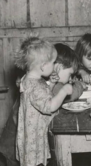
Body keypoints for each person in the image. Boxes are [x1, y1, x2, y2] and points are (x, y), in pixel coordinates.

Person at [14, 37, 73, 166]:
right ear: (42, 66)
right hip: (34, 141)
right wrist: (63, 91)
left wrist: (51, 84)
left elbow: (42, 97)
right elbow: (49, 106)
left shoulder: (30, 79)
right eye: (52, 62)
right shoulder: (35, 86)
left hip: (31, 135)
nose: (54, 65)